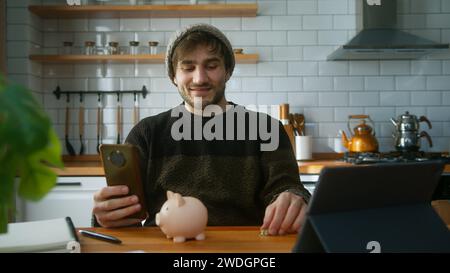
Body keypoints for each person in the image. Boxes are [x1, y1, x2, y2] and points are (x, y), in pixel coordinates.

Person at [92, 24, 310, 236]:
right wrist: (104, 216)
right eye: (188, 68)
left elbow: (287, 188)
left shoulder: (266, 129)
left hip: (244, 250)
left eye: (212, 66)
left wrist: (293, 198)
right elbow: (121, 211)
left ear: (228, 71)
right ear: (173, 76)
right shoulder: (147, 133)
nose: (200, 78)